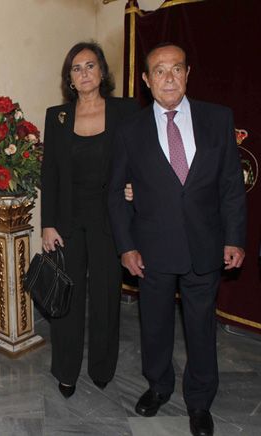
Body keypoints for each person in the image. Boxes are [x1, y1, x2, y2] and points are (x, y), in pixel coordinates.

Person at [107, 43, 246, 436]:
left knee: (202, 328)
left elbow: (231, 186)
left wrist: (235, 238)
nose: (169, 77)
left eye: (177, 69)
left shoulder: (218, 119)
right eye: (160, 71)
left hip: (206, 245)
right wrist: (126, 246)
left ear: (188, 74)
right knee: (154, 326)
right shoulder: (130, 130)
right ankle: (158, 386)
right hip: (151, 250)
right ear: (147, 81)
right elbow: (116, 192)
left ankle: (199, 402)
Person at [40, 41, 139, 398]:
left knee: (105, 295)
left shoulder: (126, 111)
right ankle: (66, 370)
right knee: (66, 296)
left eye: (90, 66)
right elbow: (49, 173)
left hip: (111, 218)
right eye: (76, 68)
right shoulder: (58, 116)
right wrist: (47, 223)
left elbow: (141, 157)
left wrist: (135, 188)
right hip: (67, 220)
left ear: (102, 72)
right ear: (69, 78)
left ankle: (101, 366)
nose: (84, 73)